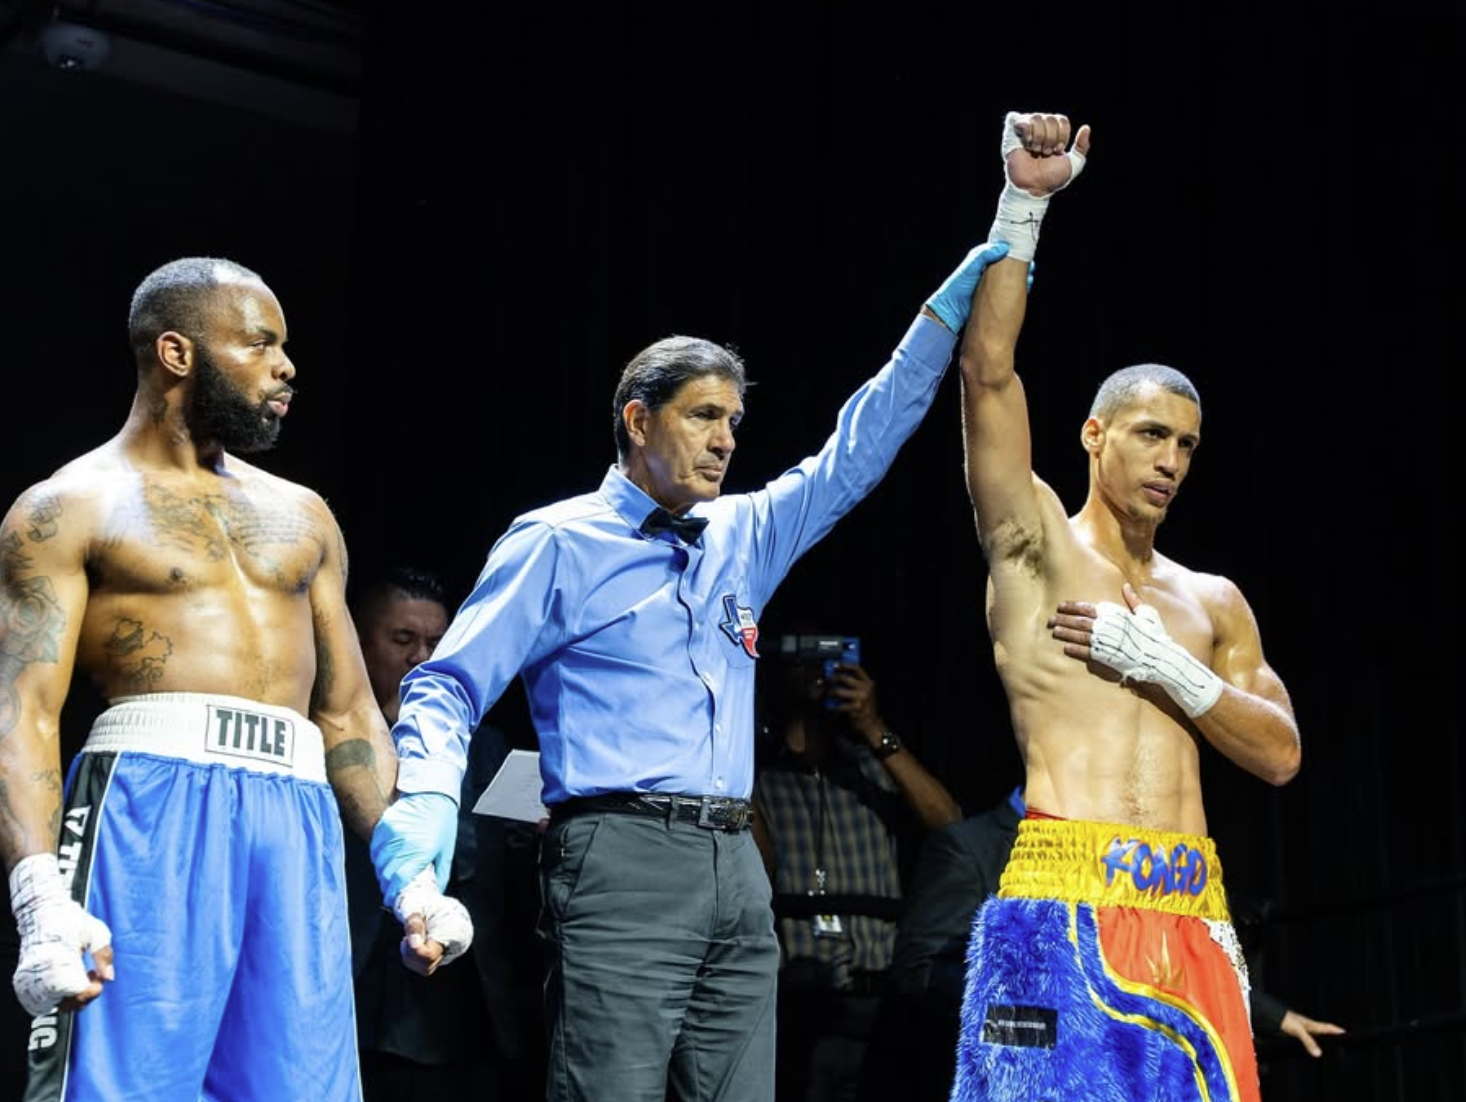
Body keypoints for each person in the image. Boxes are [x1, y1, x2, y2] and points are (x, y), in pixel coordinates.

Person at [374, 202, 1022, 1100]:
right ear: (638, 421)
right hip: (620, 853)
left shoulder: (743, 532)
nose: (725, 441)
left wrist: (983, 260)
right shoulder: (558, 541)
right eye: (704, 416)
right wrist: (418, 856)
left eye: (735, 421)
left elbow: (860, 445)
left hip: (736, 865)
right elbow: (445, 688)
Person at [0, 256, 468, 1102]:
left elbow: (350, 711)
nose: (286, 367)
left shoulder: (304, 514)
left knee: (301, 1087)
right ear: (176, 352)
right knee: (126, 1085)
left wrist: (411, 875)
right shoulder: (71, 505)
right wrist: (39, 897)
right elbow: (23, 711)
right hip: (146, 808)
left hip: (296, 814)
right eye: (258, 343)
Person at [949, 111, 1304, 1102]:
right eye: (1150, 434)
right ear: (1093, 436)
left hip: (1192, 908)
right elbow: (985, 373)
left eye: (1186, 446)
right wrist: (1023, 201)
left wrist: (1163, 665)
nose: (1169, 459)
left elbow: (1277, 754)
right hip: (1061, 899)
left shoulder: (1209, 599)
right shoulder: (1032, 547)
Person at [862, 789, 1341, 1101]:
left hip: (1118, 1061)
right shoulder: (969, 846)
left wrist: (1269, 1013)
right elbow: (919, 970)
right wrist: (1044, 1013)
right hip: (1026, 1065)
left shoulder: (1116, 851)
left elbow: (1150, 954)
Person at [344, 565, 541, 1101]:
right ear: (358, 644)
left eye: (435, 642)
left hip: (465, 1006)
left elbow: (515, 875)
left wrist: (540, 831)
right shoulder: (328, 744)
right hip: (355, 994)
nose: (420, 657)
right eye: (403, 639)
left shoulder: (489, 748)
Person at [751, 632, 962, 1101]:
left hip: (877, 999)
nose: (817, 674)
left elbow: (951, 828)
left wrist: (871, 726)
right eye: (801, 660)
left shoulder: (874, 769)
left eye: (829, 659)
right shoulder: (753, 777)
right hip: (792, 1001)